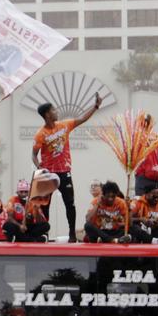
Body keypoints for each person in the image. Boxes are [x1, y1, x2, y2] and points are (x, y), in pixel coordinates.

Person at [32, 93, 103, 242]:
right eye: (53, 110)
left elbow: (82, 118)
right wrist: (40, 168)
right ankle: (45, 234)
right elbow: (34, 155)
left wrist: (96, 106)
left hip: (64, 172)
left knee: (70, 203)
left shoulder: (64, 125)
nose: (56, 112)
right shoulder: (40, 134)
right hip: (49, 175)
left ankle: (72, 234)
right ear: (47, 114)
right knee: (45, 205)